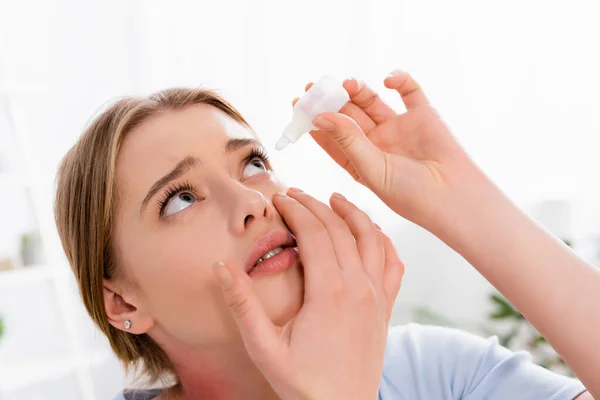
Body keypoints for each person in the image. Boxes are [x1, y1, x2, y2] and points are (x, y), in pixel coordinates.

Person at [53, 72, 593, 400]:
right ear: (122, 299)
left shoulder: (436, 374)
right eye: (180, 198)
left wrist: (460, 201)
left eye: (252, 164)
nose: (252, 203)